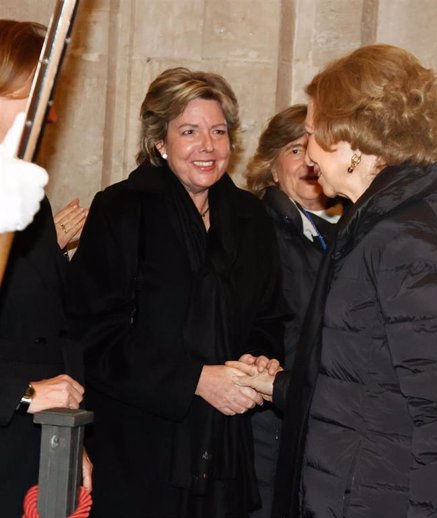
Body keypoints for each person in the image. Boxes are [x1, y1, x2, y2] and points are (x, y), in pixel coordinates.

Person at [235, 44, 437, 518]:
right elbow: (365, 387)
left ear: (353, 141)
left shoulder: (410, 241)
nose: (308, 152)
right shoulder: (373, 227)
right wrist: (279, 386)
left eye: (312, 134)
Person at [66, 67, 285, 518]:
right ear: (160, 143)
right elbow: (94, 337)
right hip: (139, 450)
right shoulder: (122, 209)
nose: (208, 146)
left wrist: (258, 360)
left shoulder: (251, 217)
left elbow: (269, 317)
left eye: (219, 131)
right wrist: (196, 381)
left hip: (224, 449)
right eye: (190, 131)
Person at [0, 19, 90, 516]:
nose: (48, 116)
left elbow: (57, 332)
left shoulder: (25, 191)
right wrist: (24, 392)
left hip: (34, 448)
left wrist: (72, 443)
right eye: (33, 100)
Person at [243, 104, 340, 518]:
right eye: (295, 151)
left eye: (314, 150)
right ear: (270, 164)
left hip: (319, 412)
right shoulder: (257, 227)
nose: (307, 163)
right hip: (271, 414)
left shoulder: (341, 229)